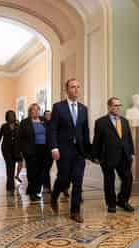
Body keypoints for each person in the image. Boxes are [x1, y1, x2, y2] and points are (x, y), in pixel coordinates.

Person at [49, 78, 91, 223]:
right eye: (73, 87)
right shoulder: (58, 107)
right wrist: (54, 147)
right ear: (66, 90)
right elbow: (52, 129)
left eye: (78, 87)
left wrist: (89, 152)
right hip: (63, 150)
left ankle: (75, 211)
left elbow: (85, 131)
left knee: (78, 181)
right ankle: (54, 196)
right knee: (63, 179)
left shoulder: (83, 109)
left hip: (79, 151)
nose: (76, 90)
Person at [92, 97, 135, 213]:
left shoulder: (125, 121)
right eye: (115, 105)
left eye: (119, 105)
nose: (117, 108)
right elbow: (97, 140)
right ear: (109, 106)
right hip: (108, 157)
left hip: (124, 156)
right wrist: (95, 156)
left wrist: (132, 153)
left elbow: (129, 138)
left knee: (128, 179)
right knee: (109, 181)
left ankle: (123, 200)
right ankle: (111, 204)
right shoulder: (101, 122)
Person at [18, 104, 48, 201]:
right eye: (33, 110)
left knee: (41, 171)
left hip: (43, 149)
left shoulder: (44, 120)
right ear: (30, 111)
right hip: (30, 150)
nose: (36, 112)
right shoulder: (25, 122)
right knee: (32, 172)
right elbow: (20, 138)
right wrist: (22, 151)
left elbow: (50, 132)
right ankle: (32, 192)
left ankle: (36, 190)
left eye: (37, 110)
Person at [0, 110, 23, 193]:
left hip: (16, 150)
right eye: (9, 116)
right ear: (7, 117)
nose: (11, 117)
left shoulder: (18, 125)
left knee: (12, 166)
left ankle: (10, 185)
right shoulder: (4, 126)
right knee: (9, 166)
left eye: (12, 115)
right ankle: (10, 186)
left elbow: (21, 138)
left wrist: (22, 149)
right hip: (6, 149)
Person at [43, 110, 53, 192]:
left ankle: (46, 185)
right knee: (45, 168)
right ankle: (47, 186)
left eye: (50, 115)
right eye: (47, 115)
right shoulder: (42, 125)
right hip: (44, 150)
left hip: (52, 150)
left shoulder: (53, 124)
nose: (49, 116)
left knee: (47, 168)